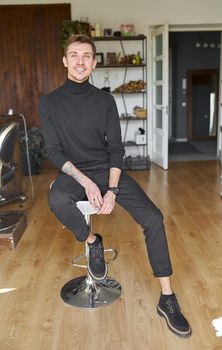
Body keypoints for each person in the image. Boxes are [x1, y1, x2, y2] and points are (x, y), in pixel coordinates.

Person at [39, 34, 191, 338]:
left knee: (154, 218)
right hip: (73, 174)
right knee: (57, 200)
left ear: (94, 63)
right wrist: (84, 181)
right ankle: (93, 241)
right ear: (65, 61)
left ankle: (167, 298)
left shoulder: (105, 100)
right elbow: (53, 151)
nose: (80, 61)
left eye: (87, 56)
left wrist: (112, 189)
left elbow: (116, 150)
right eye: (74, 55)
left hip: (106, 170)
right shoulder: (50, 103)